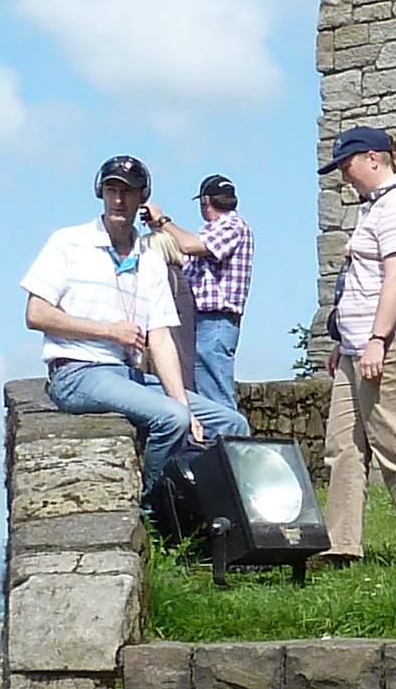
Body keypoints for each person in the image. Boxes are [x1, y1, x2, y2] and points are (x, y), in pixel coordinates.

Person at [20, 154, 200, 494]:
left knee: (228, 422)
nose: (118, 199)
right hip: (78, 371)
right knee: (171, 419)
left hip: (127, 374)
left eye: (128, 192)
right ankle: (152, 511)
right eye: (111, 189)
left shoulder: (150, 259)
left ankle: (205, 513)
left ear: (141, 198)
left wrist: (185, 405)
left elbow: (160, 339)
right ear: (100, 193)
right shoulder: (68, 242)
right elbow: (36, 314)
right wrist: (108, 331)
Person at [318, 125, 396, 566]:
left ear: (373, 158)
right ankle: (341, 547)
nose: (344, 176)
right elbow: (361, 284)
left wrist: (376, 340)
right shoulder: (373, 208)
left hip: (391, 347)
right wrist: (345, 343)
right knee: (343, 449)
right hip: (357, 351)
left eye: (347, 165)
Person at [152, 173, 256, 445]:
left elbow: (189, 246)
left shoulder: (232, 225)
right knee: (203, 396)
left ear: (206, 201)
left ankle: (232, 467)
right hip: (203, 323)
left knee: (218, 403)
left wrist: (163, 222)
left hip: (217, 322)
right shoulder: (214, 229)